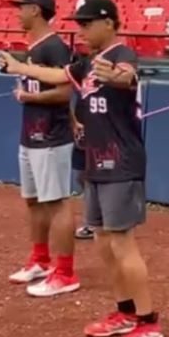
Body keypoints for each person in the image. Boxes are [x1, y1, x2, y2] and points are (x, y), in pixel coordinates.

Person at [0, 0, 163, 337]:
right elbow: (58, 74)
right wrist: (19, 67)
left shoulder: (120, 55)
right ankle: (125, 311)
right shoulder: (87, 63)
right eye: (79, 23)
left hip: (121, 161)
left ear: (108, 23)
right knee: (104, 241)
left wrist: (117, 76)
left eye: (87, 24)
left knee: (122, 242)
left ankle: (149, 321)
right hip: (94, 160)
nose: (81, 30)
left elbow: (127, 75)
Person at [6, 0, 80, 298]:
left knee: (56, 202)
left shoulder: (54, 47)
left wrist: (28, 96)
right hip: (31, 133)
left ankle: (65, 272)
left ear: (35, 10)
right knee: (34, 200)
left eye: (21, 7)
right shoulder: (34, 46)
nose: (17, 13)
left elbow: (65, 92)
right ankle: (40, 259)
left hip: (51, 135)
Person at [71, 91, 95, 240]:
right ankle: (95, 219)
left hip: (99, 132)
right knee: (80, 177)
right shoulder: (80, 81)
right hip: (81, 131)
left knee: (90, 177)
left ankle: (93, 223)